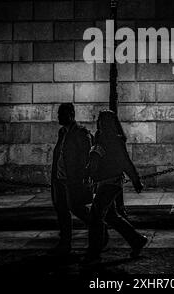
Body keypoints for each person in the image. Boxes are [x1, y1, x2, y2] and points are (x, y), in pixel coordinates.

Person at [83, 109, 148, 265]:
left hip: (111, 183)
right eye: (101, 121)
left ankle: (94, 252)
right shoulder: (100, 138)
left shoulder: (114, 140)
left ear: (111, 123)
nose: (102, 124)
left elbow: (125, 162)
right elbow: (96, 157)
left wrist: (136, 180)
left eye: (105, 121)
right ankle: (136, 240)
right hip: (104, 182)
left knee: (95, 217)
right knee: (111, 216)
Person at [50, 103, 93, 256]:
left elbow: (87, 157)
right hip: (59, 179)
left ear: (71, 114)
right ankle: (65, 243)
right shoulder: (62, 132)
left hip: (72, 179)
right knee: (62, 211)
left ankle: (99, 231)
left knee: (77, 208)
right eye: (59, 113)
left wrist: (84, 177)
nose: (59, 117)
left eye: (62, 113)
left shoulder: (81, 133)